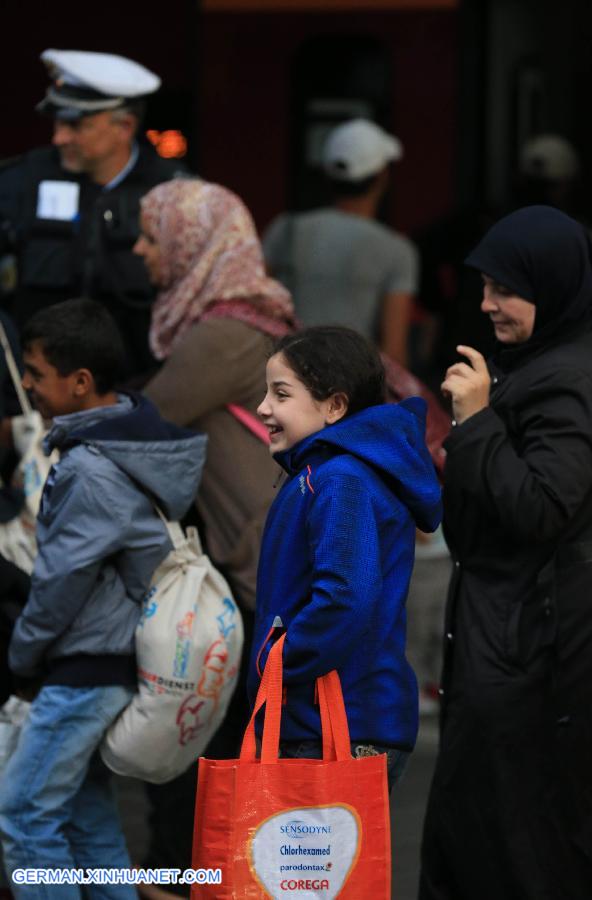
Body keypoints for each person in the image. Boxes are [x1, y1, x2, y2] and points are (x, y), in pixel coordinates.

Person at [419, 206, 592, 899]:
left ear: (551, 288)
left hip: (534, 651)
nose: (487, 304)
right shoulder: (548, 361)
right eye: (486, 286)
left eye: (505, 290)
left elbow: (542, 507)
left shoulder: (568, 380)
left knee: (517, 840)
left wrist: (478, 421)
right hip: (521, 638)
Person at [0, 298, 205, 897]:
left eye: (35, 374)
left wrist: (22, 654)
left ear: (80, 382)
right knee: (87, 826)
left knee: (25, 818)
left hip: (83, 668)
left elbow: (61, 580)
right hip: (106, 660)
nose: (28, 387)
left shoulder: (92, 469)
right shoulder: (121, 448)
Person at [134, 177, 295, 897]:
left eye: (151, 235)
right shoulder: (253, 320)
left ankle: (182, 877)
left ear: (193, 242)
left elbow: (142, 425)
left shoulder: (224, 334)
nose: (140, 250)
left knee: (201, 742)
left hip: (254, 573)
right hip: (266, 567)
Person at [249, 326, 442, 789]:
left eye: (281, 393)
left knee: (308, 864)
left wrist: (277, 663)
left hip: (334, 723)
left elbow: (346, 596)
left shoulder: (339, 478)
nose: (263, 408)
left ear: (334, 406)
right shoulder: (329, 471)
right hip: (337, 718)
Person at [0, 49, 185, 377]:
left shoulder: (171, 190)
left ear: (124, 126)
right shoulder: (21, 180)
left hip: (137, 392)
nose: (59, 138)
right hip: (34, 389)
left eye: (75, 125)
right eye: (57, 123)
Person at [262, 119, 419, 366]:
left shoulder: (287, 228)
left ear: (327, 172)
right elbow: (394, 352)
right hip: (351, 385)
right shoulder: (397, 250)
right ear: (382, 176)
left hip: (285, 378)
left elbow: (254, 307)